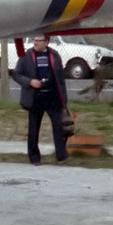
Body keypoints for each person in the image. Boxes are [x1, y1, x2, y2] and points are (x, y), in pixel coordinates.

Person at [12, 33, 68, 164]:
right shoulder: (26, 56)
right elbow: (16, 74)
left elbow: (60, 78)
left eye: (39, 40)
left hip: (52, 96)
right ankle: (34, 157)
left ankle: (61, 156)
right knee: (33, 129)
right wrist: (30, 81)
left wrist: (63, 99)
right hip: (35, 97)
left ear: (46, 42)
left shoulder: (54, 55)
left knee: (59, 126)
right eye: (34, 40)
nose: (35, 43)